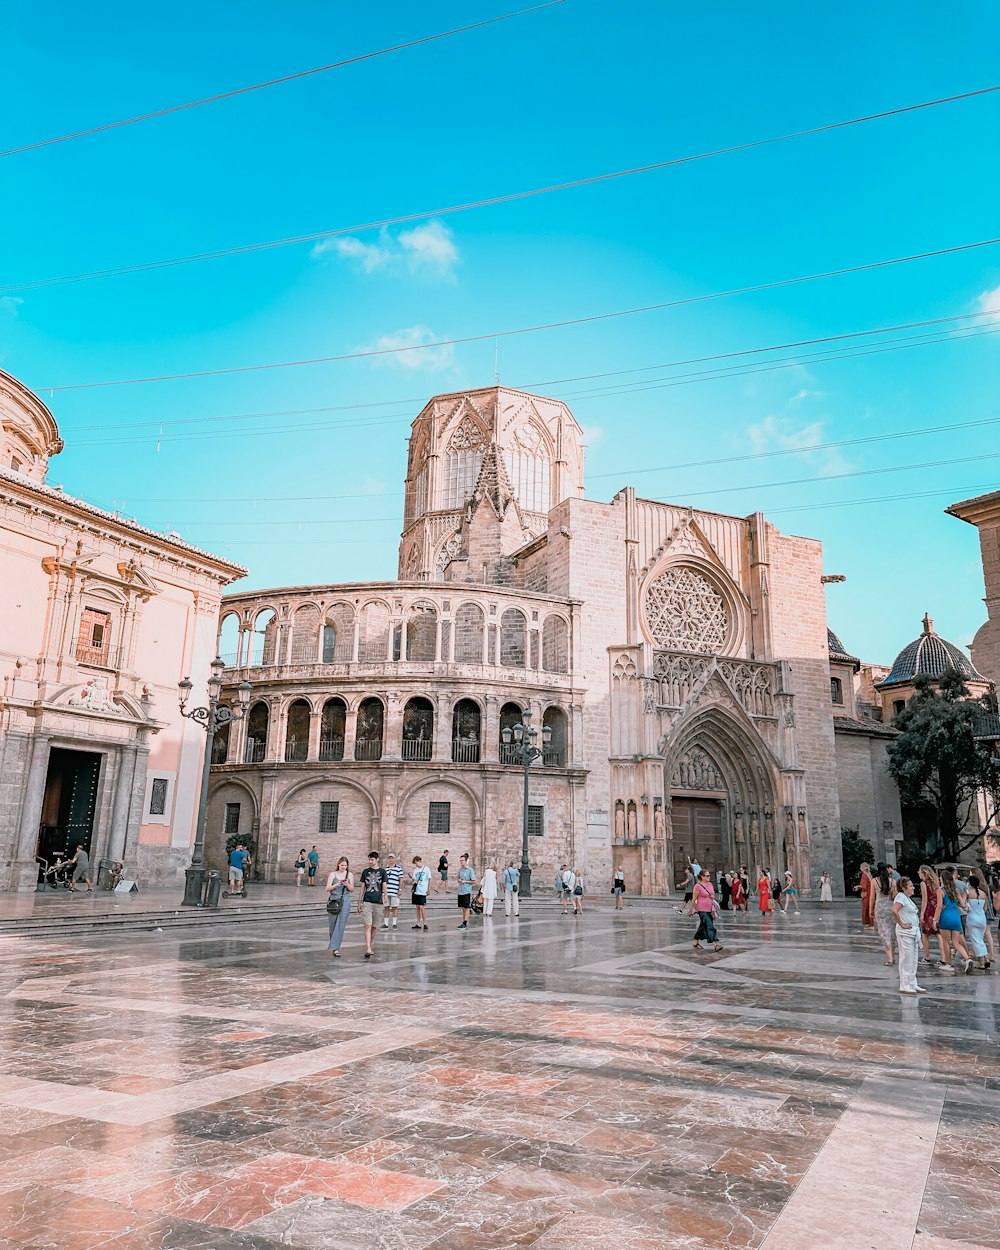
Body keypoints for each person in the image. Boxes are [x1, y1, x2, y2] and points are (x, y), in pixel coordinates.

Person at [892, 877, 925, 994]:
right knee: (906, 958)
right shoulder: (901, 897)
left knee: (913, 958)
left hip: (912, 932)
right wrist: (901, 923)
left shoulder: (907, 899)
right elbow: (894, 910)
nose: (913, 888)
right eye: (911, 886)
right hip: (905, 933)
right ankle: (904, 984)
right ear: (904, 887)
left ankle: (912, 982)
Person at [937, 869, 973, 974]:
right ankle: (967, 959)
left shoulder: (941, 890)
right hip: (955, 916)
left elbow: (939, 906)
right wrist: (965, 895)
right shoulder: (955, 890)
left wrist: (935, 918)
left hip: (946, 916)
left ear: (942, 879)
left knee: (945, 942)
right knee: (956, 942)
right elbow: (963, 904)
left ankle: (949, 964)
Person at [357, 851, 387, 959]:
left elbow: (384, 884)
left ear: (377, 859)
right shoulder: (365, 872)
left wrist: (385, 896)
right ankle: (368, 948)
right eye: (369, 859)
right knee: (367, 925)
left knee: (374, 927)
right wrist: (359, 902)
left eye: (372, 859)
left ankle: (369, 944)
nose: (370, 862)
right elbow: (362, 888)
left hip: (378, 902)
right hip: (367, 901)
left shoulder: (382, 871)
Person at [324, 856, 353, 958]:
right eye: (342, 865)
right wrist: (336, 884)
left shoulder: (350, 875)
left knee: (340, 924)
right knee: (332, 924)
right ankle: (334, 945)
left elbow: (352, 889)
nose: (343, 867)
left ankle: (336, 948)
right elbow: (327, 888)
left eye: (345, 865)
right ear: (338, 865)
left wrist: (346, 884)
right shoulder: (333, 874)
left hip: (345, 900)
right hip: (334, 900)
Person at [689, 869, 723, 953]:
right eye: (707, 876)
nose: (709, 877)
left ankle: (695, 942)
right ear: (702, 877)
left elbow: (712, 894)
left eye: (709, 875)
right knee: (709, 925)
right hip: (702, 909)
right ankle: (715, 944)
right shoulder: (698, 886)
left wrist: (712, 897)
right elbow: (694, 898)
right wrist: (691, 909)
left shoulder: (710, 884)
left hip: (710, 908)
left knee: (703, 925)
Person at [917, 865, 944, 965]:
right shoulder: (936, 883)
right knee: (939, 934)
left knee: (925, 934)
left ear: (924, 873)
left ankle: (927, 957)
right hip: (936, 909)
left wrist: (922, 914)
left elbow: (924, 899)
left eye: (919, 871)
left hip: (929, 910)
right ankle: (943, 958)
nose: (918, 873)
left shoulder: (923, 884)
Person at [965, 873, 991, 970]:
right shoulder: (983, 893)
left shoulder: (968, 893)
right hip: (982, 918)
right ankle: (986, 958)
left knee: (976, 940)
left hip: (972, 917)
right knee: (980, 939)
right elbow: (985, 908)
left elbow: (964, 904)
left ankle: (982, 961)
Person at [872, 865, 897, 966]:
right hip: (890, 908)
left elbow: (872, 898)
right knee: (892, 932)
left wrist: (870, 909)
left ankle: (889, 959)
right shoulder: (893, 882)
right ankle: (893, 956)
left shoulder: (874, 881)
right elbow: (894, 896)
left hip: (880, 909)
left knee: (884, 932)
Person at [382, 853, 403, 929]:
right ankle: (386, 923)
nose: (391, 859)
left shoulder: (398, 868)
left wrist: (400, 889)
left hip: (394, 891)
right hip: (386, 891)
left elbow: (401, 880)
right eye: (389, 858)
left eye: (392, 858)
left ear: (395, 859)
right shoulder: (385, 869)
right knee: (386, 907)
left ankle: (394, 923)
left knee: (395, 907)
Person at [410, 855, 431, 930]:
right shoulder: (416, 870)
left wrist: (428, 889)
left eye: (416, 863)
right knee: (417, 907)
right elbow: (414, 880)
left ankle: (425, 923)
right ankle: (418, 923)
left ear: (419, 861)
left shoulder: (426, 869)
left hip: (423, 890)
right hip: (416, 891)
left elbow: (429, 879)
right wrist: (411, 877)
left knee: (422, 907)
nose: (416, 865)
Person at [456, 853, 476, 929]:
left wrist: (465, 881)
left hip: (467, 891)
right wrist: (459, 880)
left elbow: (474, 881)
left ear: (466, 861)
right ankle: (463, 921)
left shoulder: (470, 870)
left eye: (462, 860)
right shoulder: (460, 870)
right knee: (463, 907)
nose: (461, 862)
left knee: (466, 907)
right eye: (460, 860)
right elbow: (458, 879)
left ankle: (465, 922)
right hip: (460, 890)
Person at [858, 862, 875, 929]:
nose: (860, 868)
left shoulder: (864, 875)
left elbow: (863, 886)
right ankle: (871, 923)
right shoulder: (869, 875)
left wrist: (858, 887)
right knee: (870, 907)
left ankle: (869, 923)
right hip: (871, 893)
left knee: (866, 908)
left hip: (867, 893)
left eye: (861, 867)